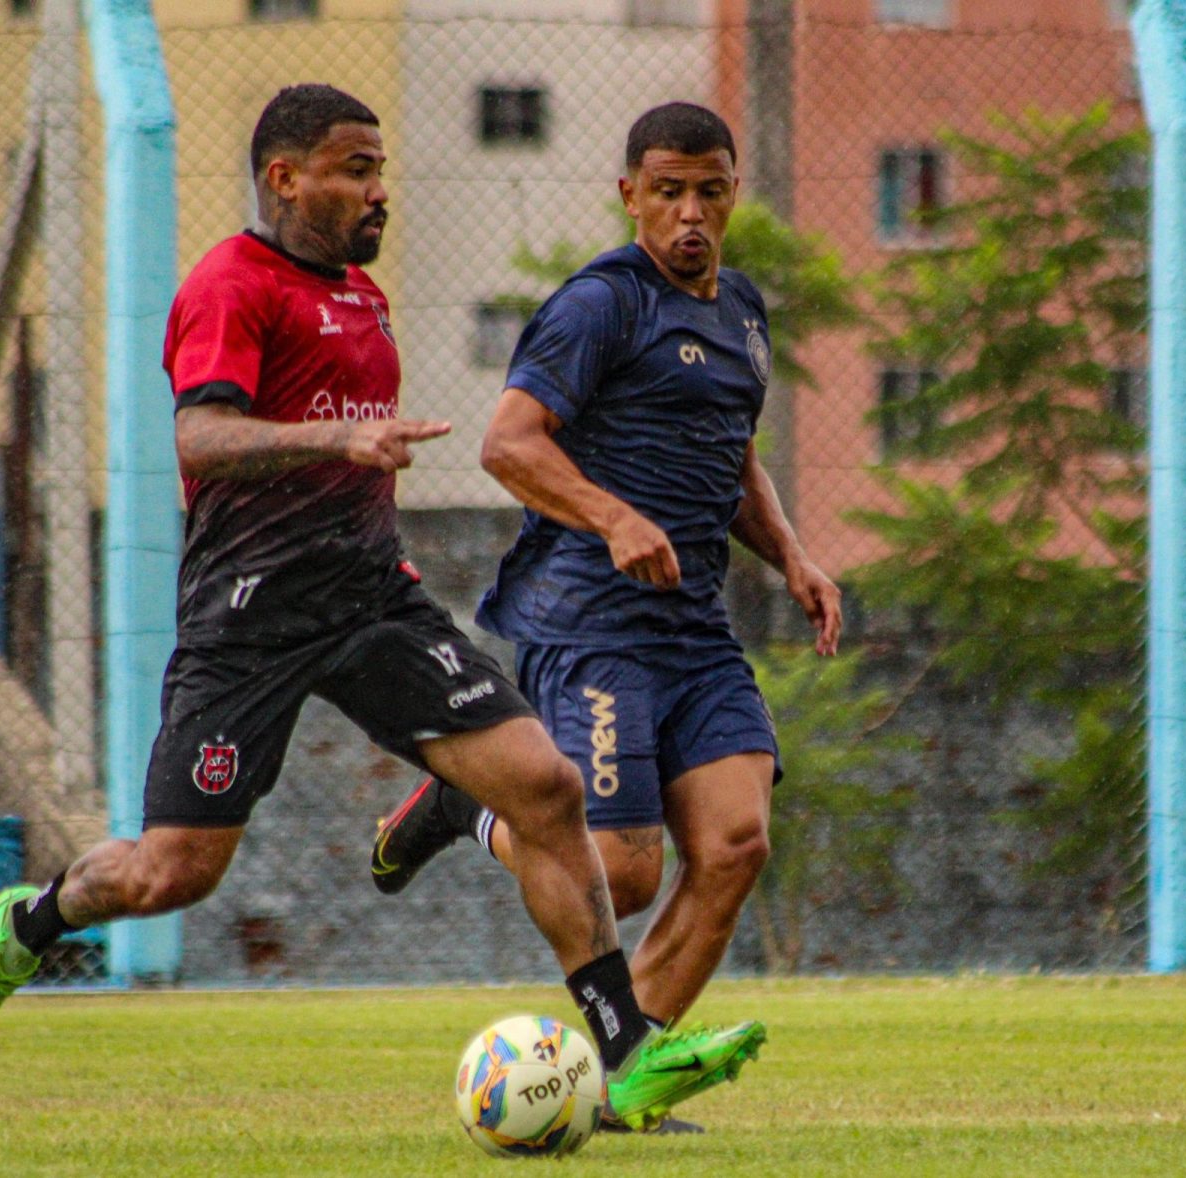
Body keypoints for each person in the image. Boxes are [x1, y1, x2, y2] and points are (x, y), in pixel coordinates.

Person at [0, 84, 763, 1128]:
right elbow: (199, 438)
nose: (379, 190)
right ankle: (32, 919)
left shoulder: (362, 295)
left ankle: (625, 1044)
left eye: (381, 169)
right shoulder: (231, 285)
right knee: (169, 872)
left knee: (547, 787)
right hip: (250, 620)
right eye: (355, 169)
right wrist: (336, 439)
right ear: (287, 177)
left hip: (375, 601)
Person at [369, 101, 842, 1129]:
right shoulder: (600, 305)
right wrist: (613, 513)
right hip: (590, 620)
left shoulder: (744, 312)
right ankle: (470, 807)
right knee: (623, 873)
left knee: (736, 843)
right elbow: (509, 442)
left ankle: (622, 1082)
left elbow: (732, 449)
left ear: (732, 193)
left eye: (709, 191)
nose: (689, 214)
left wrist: (794, 555)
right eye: (666, 191)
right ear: (629, 194)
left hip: (693, 628)